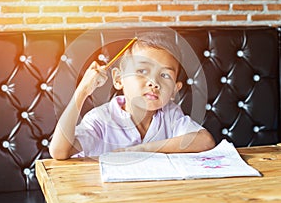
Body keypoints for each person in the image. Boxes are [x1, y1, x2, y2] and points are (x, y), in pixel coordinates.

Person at [49, 32, 215, 159]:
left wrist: (142, 150)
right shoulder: (101, 119)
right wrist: (82, 91)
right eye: (142, 71)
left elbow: (205, 141)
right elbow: (59, 151)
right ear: (119, 79)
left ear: (173, 91)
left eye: (165, 75)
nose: (154, 82)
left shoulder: (171, 115)